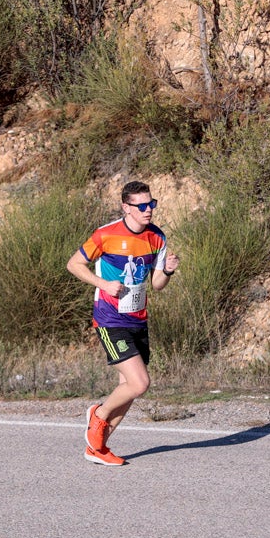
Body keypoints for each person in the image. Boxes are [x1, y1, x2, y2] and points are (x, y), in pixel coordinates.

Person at [66, 180, 179, 466]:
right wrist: (103, 283)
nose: (148, 210)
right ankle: (98, 415)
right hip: (109, 318)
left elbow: (157, 284)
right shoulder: (106, 234)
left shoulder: (157, 238)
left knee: (126, 388)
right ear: (125, 207)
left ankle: (97, 448)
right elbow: (74, 265)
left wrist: (167, 270)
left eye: (151, 204)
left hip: (138, 318)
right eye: (141, 206)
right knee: (140, 384)